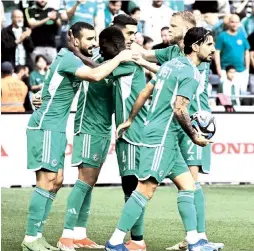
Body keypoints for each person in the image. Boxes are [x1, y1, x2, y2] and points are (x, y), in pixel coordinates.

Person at [21, 21, 132, 251]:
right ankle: (31, 237)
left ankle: (38, 236)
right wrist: (120, 58)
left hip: (56, 126)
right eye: (89, 39)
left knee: (57, 181)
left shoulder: (70, 58)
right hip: (46, 125)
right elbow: (94, 75)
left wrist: (42, 94)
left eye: (95, 39)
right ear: (74, 38)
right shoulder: (69, 58)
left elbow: (58, 81)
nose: (93, 43)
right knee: (45, 182)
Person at [106, 27, 215, 251]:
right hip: (161, 138)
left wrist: (129, 119)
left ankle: (194, 240)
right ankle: (115, 241)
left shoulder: (170, 65)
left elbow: (146, 91)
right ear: (195, 46)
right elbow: (179, 108)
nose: (213, 49)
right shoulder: (192, 73)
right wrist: (195, 136)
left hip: (165, 137)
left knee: (188, 186)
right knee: (145, 189)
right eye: (209, 44)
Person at [129, 11, 224, 251]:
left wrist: (143, 62)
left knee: (192, 181)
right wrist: (126, 46)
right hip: (173, 124)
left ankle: (198, 237)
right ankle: (193, 238)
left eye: (173, 26)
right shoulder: (171, 52)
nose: (168, 30)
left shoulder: (199, 55)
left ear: (190, 27)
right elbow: (145, 54)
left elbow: (168, 74)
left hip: (193, 122)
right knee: (184, 183)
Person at [215, 14, 250, 93]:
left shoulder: (242, 36)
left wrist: (247, 69)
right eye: (232, 22)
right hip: (225, 70)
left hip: (241, 71)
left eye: (237, 22)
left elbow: (247, 52)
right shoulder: (222, 36)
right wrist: (218, 68)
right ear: (228, 23)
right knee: (226, 95)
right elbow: (217, 53)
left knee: (241, 94)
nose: (235, 24)